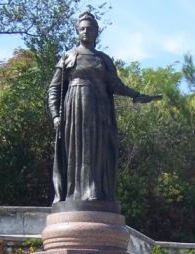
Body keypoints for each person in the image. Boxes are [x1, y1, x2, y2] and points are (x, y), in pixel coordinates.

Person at [47, 12, 160, 208]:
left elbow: (116, 85)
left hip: (99, 110)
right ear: (77, 31)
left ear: (96, 32)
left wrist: (137, 95)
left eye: (89, 29)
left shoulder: (103, 59)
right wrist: (55, 115)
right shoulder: (68, 56)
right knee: (75, 151)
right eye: (82, 28)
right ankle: (74, 195)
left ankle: (94, 191)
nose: (85, 32)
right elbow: (54, 87)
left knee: (97, 152)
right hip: (74, 109)